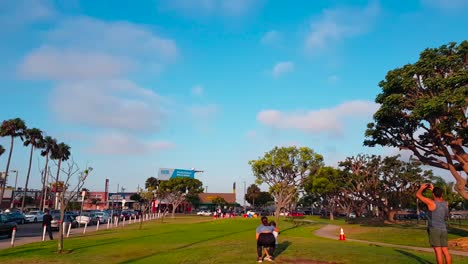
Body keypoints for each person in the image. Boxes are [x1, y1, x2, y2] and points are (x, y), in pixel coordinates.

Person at [416, 183, 452, 264]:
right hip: (443, 229)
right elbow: (439, 198)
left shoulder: (431, 203)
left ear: (433, 194)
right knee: (445, 251)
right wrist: (433, 190)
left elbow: (418, 195)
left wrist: (421, 188)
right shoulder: (445, 203)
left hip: (434, 229)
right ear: (441, 194)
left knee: (438, 251)